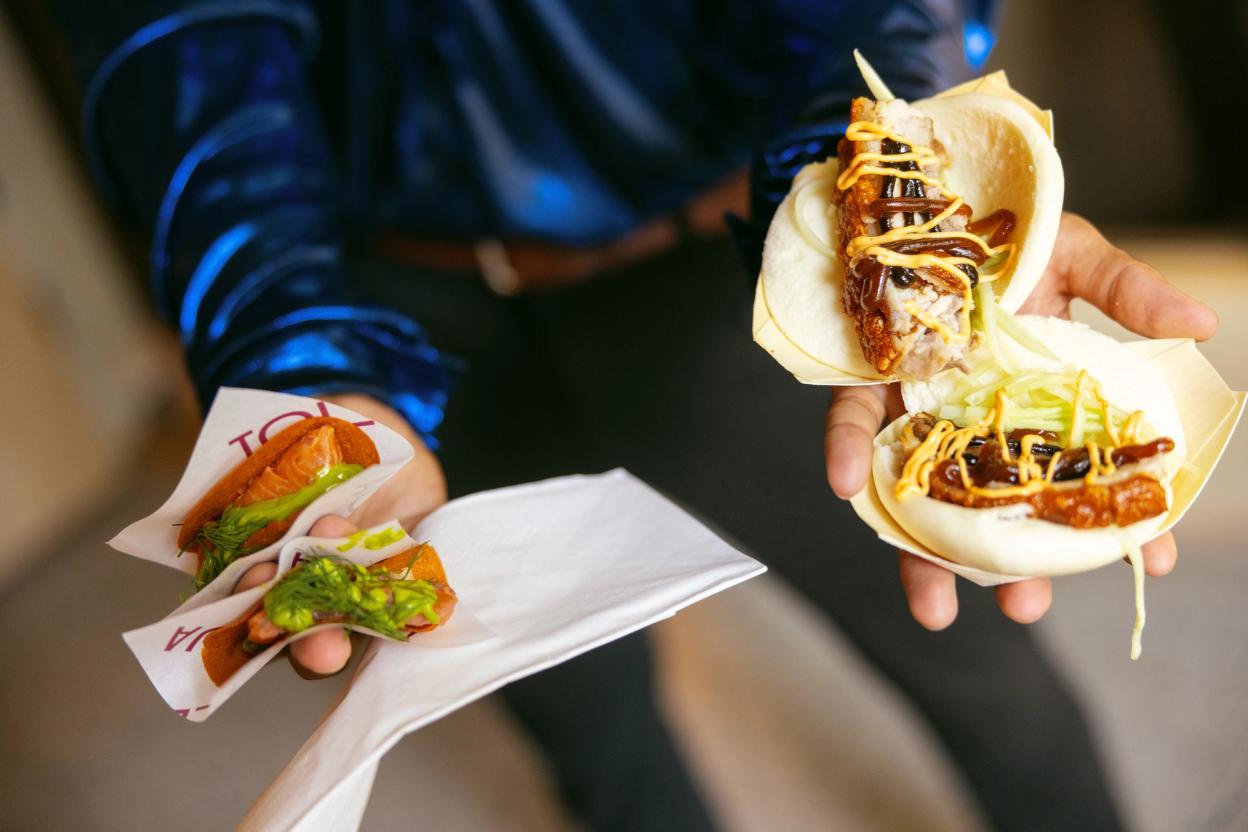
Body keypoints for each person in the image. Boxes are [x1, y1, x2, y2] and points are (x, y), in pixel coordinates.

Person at [49, 2, 1216, 830]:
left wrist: (868, 192)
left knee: (962, 642)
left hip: (721, 270)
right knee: (590, 729)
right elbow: (184, 37)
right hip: (387, 303)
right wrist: (295, 346)